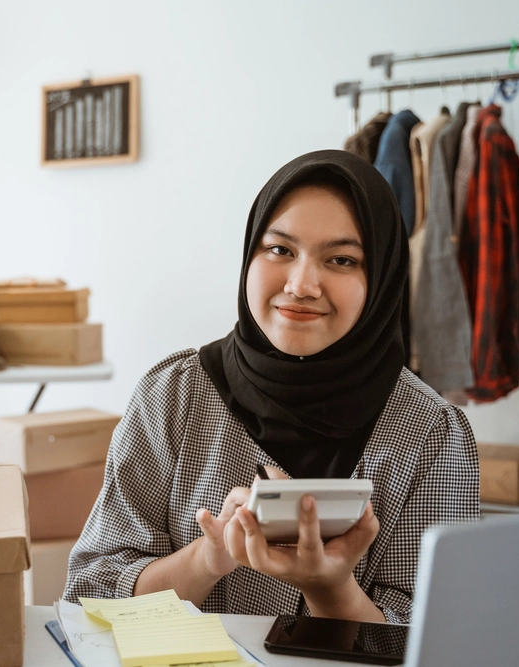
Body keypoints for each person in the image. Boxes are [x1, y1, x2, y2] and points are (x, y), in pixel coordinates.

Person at [62, 150, 479, 624]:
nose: (302, 285)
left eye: (342, 260)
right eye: (280, 250)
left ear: (381, 279)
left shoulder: (431, 431)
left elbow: (445, 636)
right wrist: (209, 557)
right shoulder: (173, 395)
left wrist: (331, 588)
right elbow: (87, 596)